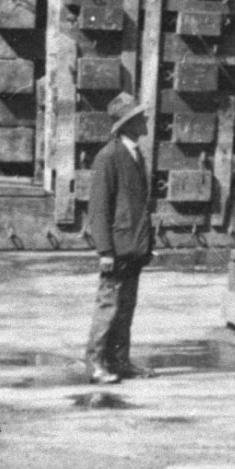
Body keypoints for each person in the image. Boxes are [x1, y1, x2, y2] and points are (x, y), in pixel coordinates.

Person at [84, 92, 155, 383]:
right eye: (140, 117)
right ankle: (96, 363)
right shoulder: (109, 156)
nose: (145, 119)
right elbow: (99, 208)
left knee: (126, 307)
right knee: (108, 306)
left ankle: (120, 360)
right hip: (117, 247)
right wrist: (105, 250)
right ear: (127, 124)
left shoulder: (135, 154)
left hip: (134, 246)